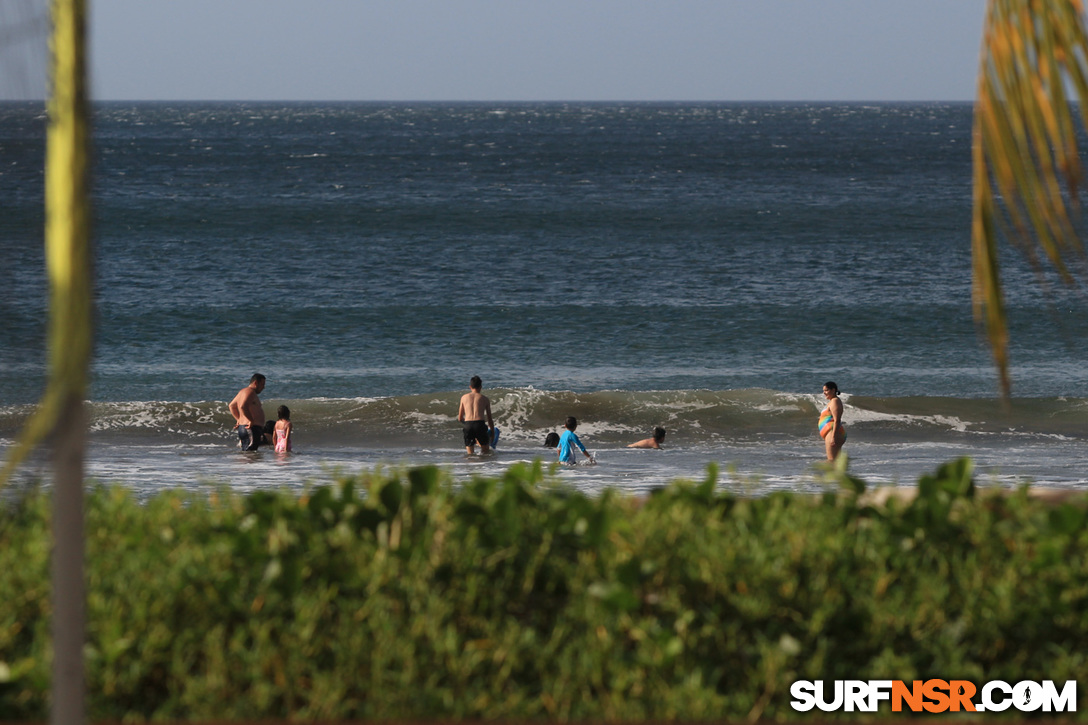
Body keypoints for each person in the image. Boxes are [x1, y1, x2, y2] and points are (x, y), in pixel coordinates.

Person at [457, 375, 494, 455]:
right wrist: (493, 434)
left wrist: (469, 425)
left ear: (470, 386)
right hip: (480, 425)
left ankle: (471, 466)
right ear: (480, 387)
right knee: (485, 453)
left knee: (470, 455)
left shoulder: (464, 398)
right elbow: (490, 419)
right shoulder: (485, 399)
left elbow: (460, 418)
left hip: (468, 425)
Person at [229, 373, 266, 451]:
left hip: (245, 427)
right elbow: (243, 406)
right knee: (250, 453)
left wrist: (238, 419)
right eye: (262, 384)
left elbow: (232, 406)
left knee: (248, 453)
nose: (263, 387)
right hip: (251, 428)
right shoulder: (250, 392)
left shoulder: (243, 391)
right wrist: (250, 420)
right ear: (256, 383)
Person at [819, 381, 847, 461]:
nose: (824, 393)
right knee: (835, 461)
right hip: (831, 432)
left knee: (831, 461)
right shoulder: (832, 401)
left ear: (833, 390)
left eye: (826, 390)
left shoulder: (835, 401)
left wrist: (833, 437)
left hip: (833, 433)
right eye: (823, 391)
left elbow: (837, 420)